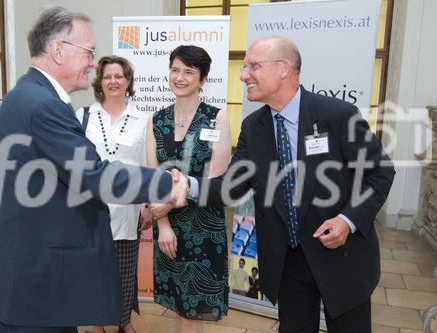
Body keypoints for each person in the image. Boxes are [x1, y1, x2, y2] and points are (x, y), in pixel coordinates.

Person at [0, 6, 187, 333]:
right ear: (58, 50)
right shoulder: (43, 104)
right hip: (31, 289)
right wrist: (170, 183)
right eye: (89, 52)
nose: (93, 63)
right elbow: (98, 176)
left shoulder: (32, 95)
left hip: (38, 280)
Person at [196, 36, 395, 332]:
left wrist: (347, 220)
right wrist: (185, 187)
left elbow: (379, 172)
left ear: (283, 68)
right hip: (289, 262)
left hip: (341, 255)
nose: (243, 74)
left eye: (253, 65)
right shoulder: (254, 126)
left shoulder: (337, 116)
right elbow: (232, 186)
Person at [146, 45, 232, 333]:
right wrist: (163, 224)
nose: (179, 77)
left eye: (188, 72)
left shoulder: (217, 118)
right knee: (180, 305)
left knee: (196, 309)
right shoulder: (156, 121)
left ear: (202, 79)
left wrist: (165, 208)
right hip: (168, 227)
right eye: (175, 70)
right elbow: (153, 178)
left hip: (204, 224)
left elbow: (214, 183)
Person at [76, 55, 149, 333]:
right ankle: (97, 323)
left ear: (128, 81)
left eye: (119, 76)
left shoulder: (143, 120)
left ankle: (123, 321)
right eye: (107, 76)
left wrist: (146, 204)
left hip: (128, 209)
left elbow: (146, 164)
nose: (113, 81)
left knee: (124, 271)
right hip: (91, 209)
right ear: (100, 81)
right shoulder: (83, 117)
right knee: (93, 271)